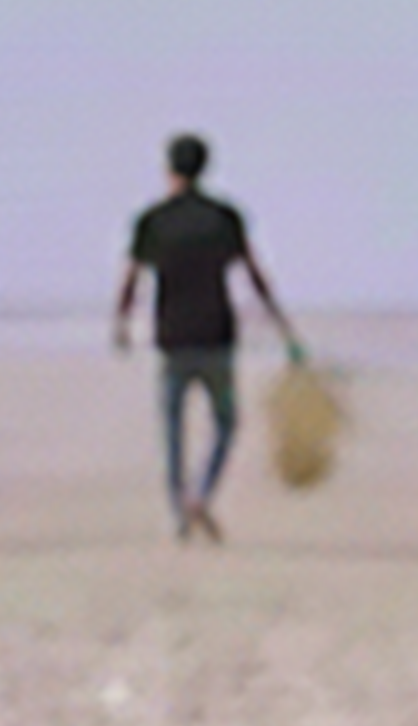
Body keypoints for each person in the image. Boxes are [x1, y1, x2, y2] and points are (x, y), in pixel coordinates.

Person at [113, 132, 303, 541]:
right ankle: (201, 494)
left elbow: (131, 278)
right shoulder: (224, 218)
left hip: (172, 338)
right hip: (216, 334)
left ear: (169, 168)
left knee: (173, 432)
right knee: (226, 422)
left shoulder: (153, 220)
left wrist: (122, 324)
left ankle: (181, 513)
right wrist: (282, 325)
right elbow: (254, 275)